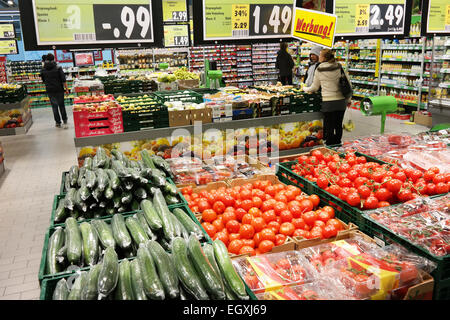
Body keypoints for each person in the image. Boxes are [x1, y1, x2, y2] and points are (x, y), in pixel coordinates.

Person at [304, 48, 352, 146]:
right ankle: (338, 145)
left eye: (320, 55)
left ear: (323, 57)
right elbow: (348, 83)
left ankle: (330, 147)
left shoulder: (319, 69)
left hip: (328, 102)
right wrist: (349, 99)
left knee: (329, 126)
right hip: (340, 101)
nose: (319, 56)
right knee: (338, 125)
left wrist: (304, 88)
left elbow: (314, 87)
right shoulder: (338, 66)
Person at [40, 53, 69, 129]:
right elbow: (63, 80)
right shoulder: (58, 68)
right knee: (61, 105)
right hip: (59, 89)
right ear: (53, 59)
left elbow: (43, 80)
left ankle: (57, 122)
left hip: (50, 90)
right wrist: (66, 89)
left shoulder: (43, 69)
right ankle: (64, 120)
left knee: (54, 107)